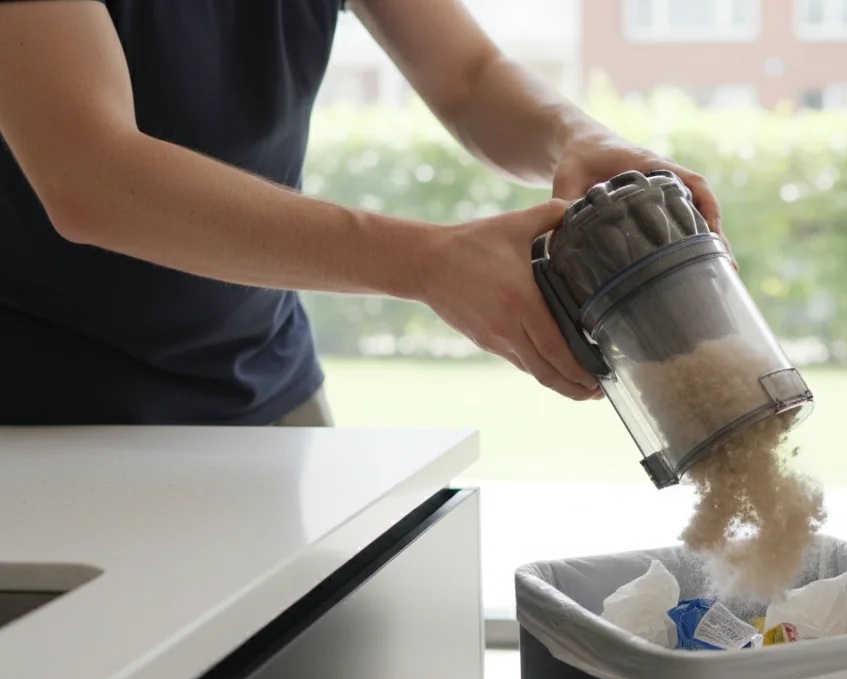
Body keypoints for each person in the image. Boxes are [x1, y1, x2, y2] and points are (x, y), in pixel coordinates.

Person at [0, 0, 723, 426]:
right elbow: (88, 172)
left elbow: (468, 77)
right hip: (43, 419)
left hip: (268, 390)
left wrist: (578, 137)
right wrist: (425, 262)